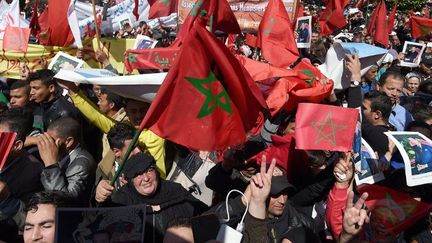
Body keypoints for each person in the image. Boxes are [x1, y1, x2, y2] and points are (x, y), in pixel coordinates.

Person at [108, 152, 207, 242]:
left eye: (149, 170)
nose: (146, 178)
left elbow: (204, 216)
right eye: (138, 175)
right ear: (130, 181)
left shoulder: (175, 191)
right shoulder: (122, 201)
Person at [37, 117, 96, 205]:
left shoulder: (81, 165)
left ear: (68, 142)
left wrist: (51, 165)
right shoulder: (61, 155)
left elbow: (63, 201)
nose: (48, 145)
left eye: (51, 141)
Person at [361, 91, 394, 157]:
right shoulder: (392, 131)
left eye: (364, 108)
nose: (361, 110)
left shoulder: (374, 133)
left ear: (377, 114)